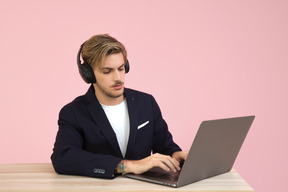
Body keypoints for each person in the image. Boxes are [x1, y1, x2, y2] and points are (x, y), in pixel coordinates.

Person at [51, 34, 187, 179]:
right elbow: (63, 158)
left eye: (121, 68)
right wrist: (128, 166)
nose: (118, 78)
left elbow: (164, 146)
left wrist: (176, 155)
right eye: (107, 71)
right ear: (88, 74)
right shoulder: (73, 112)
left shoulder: (147, 103)